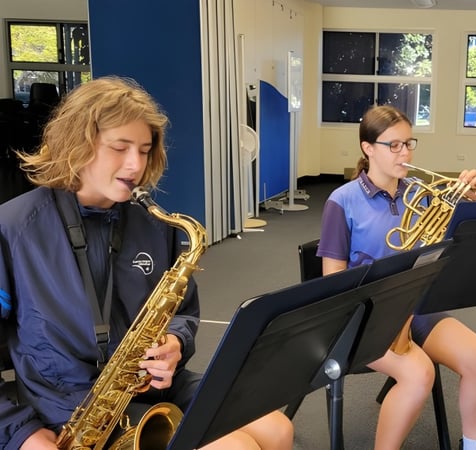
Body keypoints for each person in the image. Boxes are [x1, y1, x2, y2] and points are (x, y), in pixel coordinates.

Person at [0, 76, 293, 450]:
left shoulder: (154, 223)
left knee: (278, 428)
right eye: (120, 148)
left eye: (144, 149)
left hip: (154, 386)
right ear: (77, 144)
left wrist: (175, 342)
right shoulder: (13, 229)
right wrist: (19, 431)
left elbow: (182, 310)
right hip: (69, 405)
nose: (135, 165)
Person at [316, 105, 476, 450]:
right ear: (368, 149)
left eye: (409, 143)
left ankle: (473, 447)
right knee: (419, 374)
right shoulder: (343, 201)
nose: (405, 153)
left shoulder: (419, 193)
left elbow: (466, 244)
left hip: (417, 307)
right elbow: (332, 283)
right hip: (363, 317)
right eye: (393, 145)